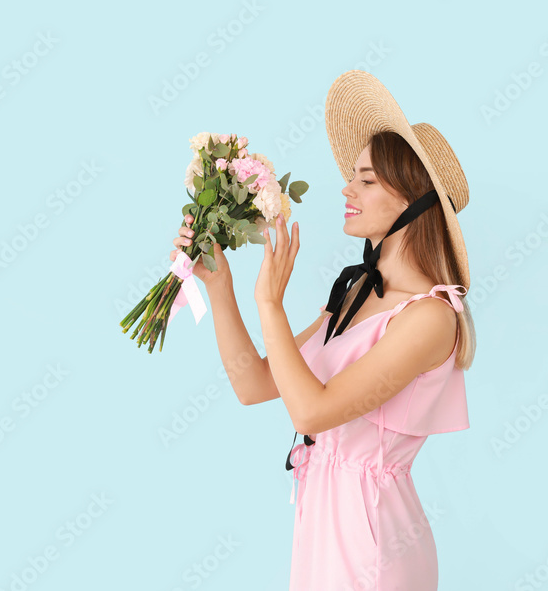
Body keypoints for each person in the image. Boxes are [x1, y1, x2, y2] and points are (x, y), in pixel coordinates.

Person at [169, 70, 476, 590]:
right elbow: (256, 385)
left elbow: (311, 410)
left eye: (367, 179)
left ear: (412, 201)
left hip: (374, 541)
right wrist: (221, 288)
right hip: (321, 527)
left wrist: (271, 302)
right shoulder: (358, 293)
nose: (346, 188)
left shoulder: (430, 317)